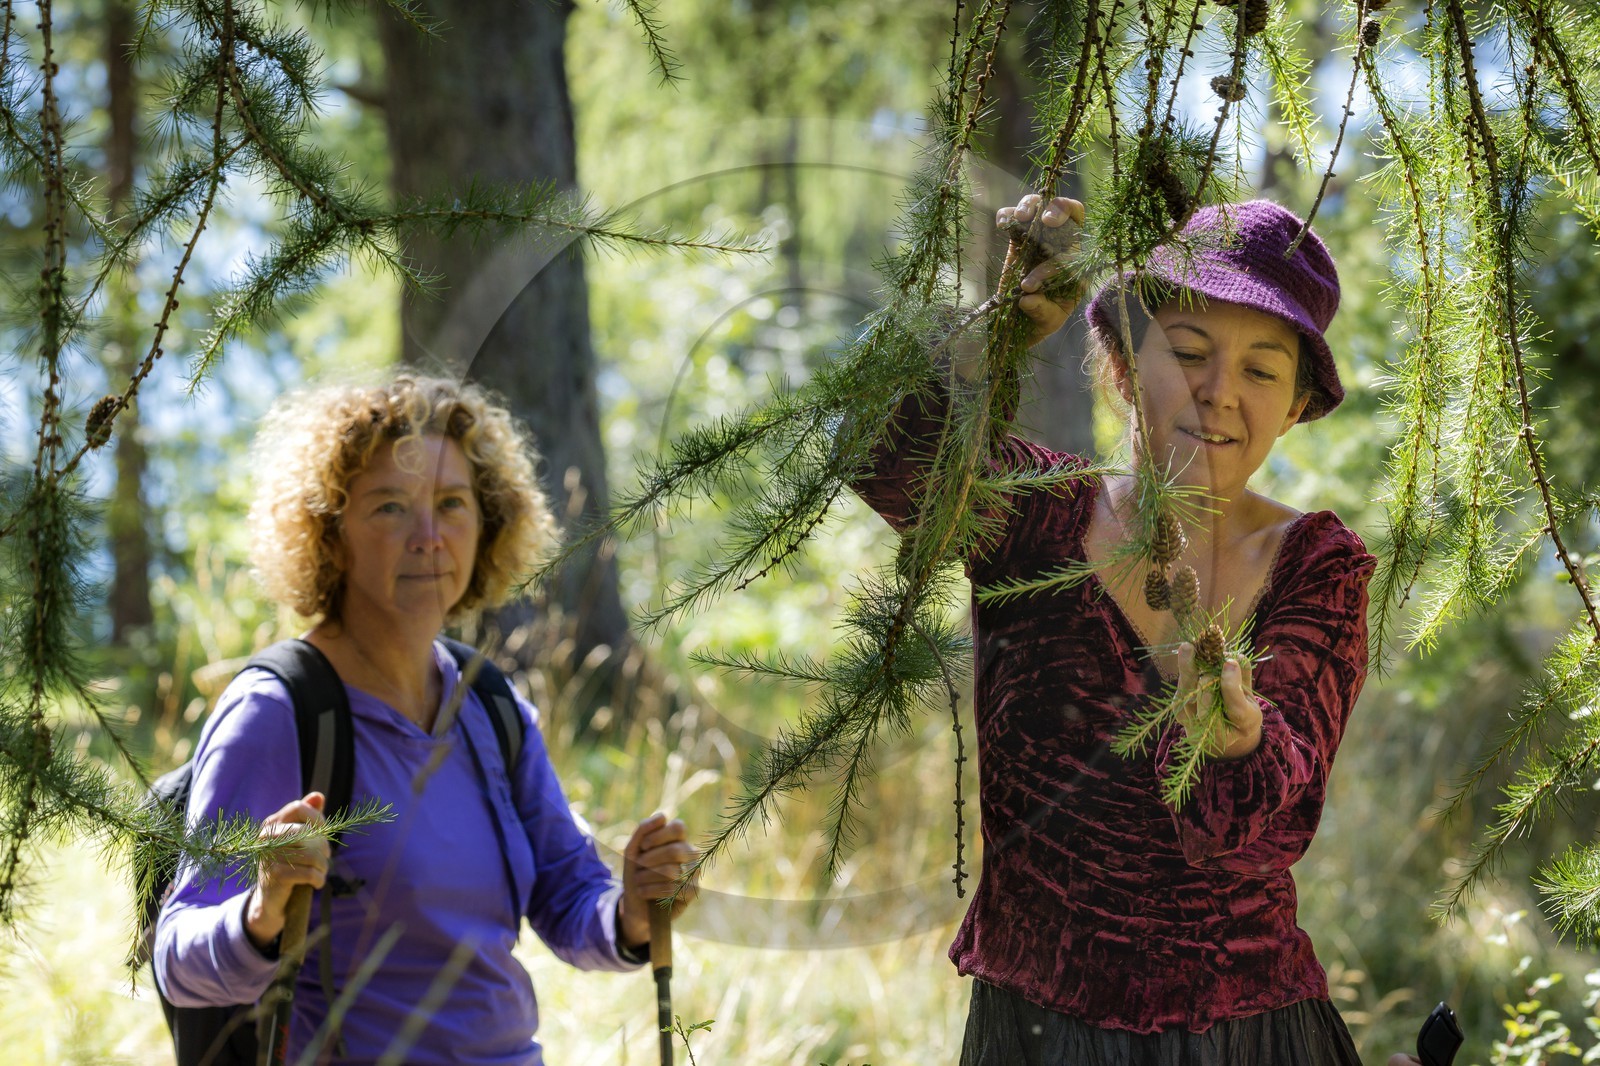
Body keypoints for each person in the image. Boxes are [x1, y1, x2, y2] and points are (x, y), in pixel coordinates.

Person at [854, 196, 1381, 1064]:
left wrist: (1240, 737)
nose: (1220, 392)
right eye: (1188, 351)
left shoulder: (1317, 564)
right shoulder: (1037, 514)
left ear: (1294, 407)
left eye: (1261, 370)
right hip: (1034, 1028)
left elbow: (1269, 818)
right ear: (1125, 362)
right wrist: (996, 338)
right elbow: (888, 453)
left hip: (1242, 1033)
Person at [153, 375, 696, 1065]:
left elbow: (570, 897)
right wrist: (262, 909)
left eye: (451, 504)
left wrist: (636, 911)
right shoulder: (279, 711)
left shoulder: (491, 706)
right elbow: (179, 960)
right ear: (330, 532)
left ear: (488, 522)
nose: (430, 537)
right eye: (390, 508)